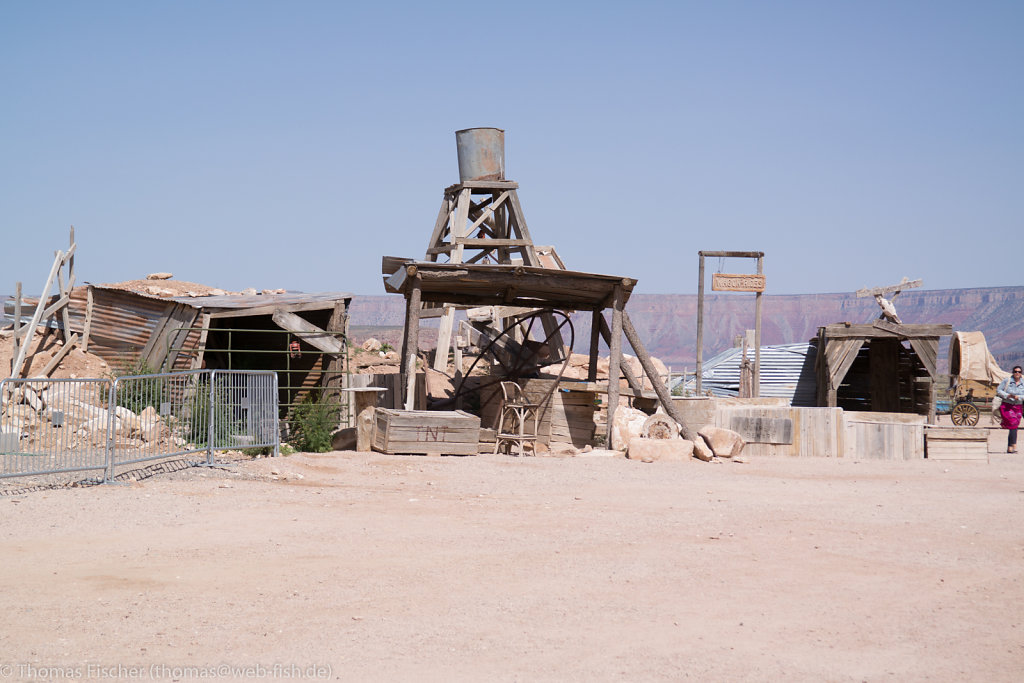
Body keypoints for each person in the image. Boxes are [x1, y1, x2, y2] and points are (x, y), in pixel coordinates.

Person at [996, 366, 1024, 453]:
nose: (1017, 373)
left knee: (1014, 425)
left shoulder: (1023, 383)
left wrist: (1018, 397)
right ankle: (1013, 444)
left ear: (1021, 373)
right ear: (1013, 372)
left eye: (1019, 372)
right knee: (1013, 423)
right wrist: (1007, 395)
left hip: (1018, 406)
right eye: (1015, 371)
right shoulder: (1007, 381)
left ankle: (1009, 447)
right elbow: (999, 390)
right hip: (1007, 406)